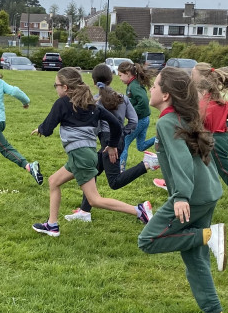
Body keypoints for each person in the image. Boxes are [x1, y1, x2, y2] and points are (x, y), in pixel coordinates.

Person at [138, 67, 228, 313]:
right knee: (194, 257)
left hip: (192, 196)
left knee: (148, 240)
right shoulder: (182, 118)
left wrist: (180, 197)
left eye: (155, 85)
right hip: (207, 192)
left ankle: (210, 235)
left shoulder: (167, 122)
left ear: (166, 95)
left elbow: (182, 161)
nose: (151, 89)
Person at [31, 67, 152, 237]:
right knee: (54, 181)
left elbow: (48, 128)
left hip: (80, 156)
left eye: (56, 85)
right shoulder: (91, 105)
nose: (55, 88)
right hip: (84, 154)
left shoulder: (63, 103)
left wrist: (41, 129)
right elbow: (116, 125)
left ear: (65, 87)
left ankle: (139, 210)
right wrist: (112, 144)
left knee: (95, 200)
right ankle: (52, 224)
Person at [65, 63, 159, 222]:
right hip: (116, 139)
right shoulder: (123, 98)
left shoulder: (95, 101)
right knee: (93, 172)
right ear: (110, 79)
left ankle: (147, 164)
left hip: (109, 143)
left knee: (114, 182)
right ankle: (84, 211)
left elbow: (93, 126)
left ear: (94, 81)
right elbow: (134, 121)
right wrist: (123, 133)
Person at [117, 62, 156, 169]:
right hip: (144, 119)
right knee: (140, 146)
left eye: (120, 75)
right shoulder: (133, 84)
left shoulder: (134, 86)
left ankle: (121, 170)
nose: (120, 78)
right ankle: (159, 138)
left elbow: (144, 101)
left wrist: (131, 113)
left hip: (140, 121)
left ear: (128, 73)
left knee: (124, 142)